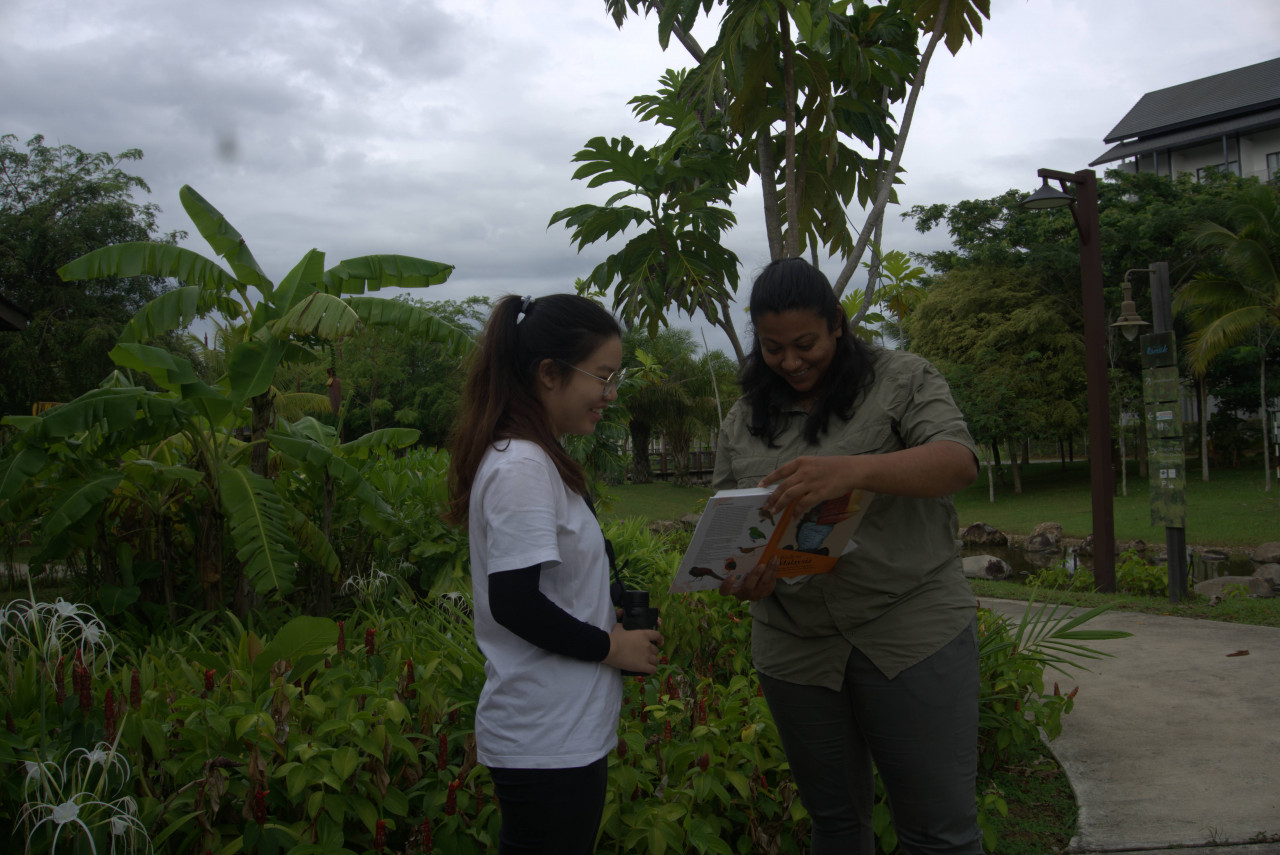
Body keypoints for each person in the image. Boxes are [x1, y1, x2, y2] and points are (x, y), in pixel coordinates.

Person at [713, 257, 984, 854]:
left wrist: (851, 471)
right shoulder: (741, 419)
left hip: (909, 627)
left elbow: (956, 462)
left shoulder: (902, 378)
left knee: (939, 832)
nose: (790, 361)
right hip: (794, 642)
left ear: (837, 323)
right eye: (773, 348)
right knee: (834, 826)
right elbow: (729, 524)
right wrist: (741, 575)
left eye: (805, 343)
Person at [446, 294, 664, 855]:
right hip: (545, 738)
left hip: (558, 733)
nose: (611, 395)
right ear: (549, 373)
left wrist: (602, 607)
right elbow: (514, 602)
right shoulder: (521, 465)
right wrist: (609, 646)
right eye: (603, 376)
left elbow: (544, 589)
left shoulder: (537, 458)